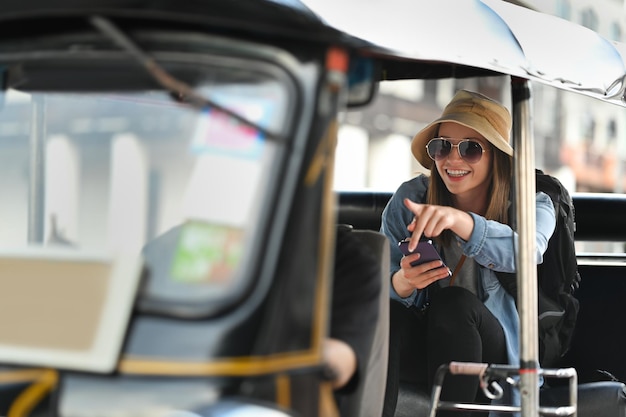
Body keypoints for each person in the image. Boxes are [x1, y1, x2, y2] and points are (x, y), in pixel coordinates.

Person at [379, 90, 557, 417]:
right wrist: (402, 282)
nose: (453, 160)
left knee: (454, 304)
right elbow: (379, 287)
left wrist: (462, 222)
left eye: (471, 149)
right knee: (383, 316)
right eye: (441, 146)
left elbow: (527, 250)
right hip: (429, 341)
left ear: (497, 158)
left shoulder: (533, 203)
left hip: (497, 356)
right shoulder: (411, 198)